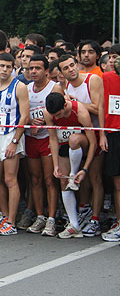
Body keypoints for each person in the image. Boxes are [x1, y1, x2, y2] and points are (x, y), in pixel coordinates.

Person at [0, 52, 29, 235]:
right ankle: (5, 213)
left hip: (11, 135)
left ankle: (11, 221)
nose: (4, 70)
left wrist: (15, 141)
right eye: (1, 66)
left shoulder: (20, 87)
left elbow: (24, 115)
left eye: (8, 67)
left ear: (13, 68)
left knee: (10, 179)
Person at [59, 53, 104, 237]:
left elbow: (98, 107)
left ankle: (95, 219)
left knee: (95, 177)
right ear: (61, 73)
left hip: (94, 132)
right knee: (80, 179)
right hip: (77, 135)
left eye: (72, 65)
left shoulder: (92, 80)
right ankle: (83, 210)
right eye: (66, 68)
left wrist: (75, 103)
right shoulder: (66, 85)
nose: (71, 69)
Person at [45, 92, 97, 239]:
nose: (58, 117)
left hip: (82, 143)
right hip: (63, 146)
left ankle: (73, 175)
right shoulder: (48, 113)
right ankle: (74, 225)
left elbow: (93, 143)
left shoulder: (79, 111)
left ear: (65, 105)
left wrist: (85, 169)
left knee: (73, 139)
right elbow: (53, 139)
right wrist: (55, 165)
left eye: (60, 114)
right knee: (63, 181)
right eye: (55, 115)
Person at [23, 55, 62, 237]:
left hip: (49, 139)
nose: (33, 72)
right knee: (35, 179)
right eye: (31, 69)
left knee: (49, 180)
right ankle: (39, 216)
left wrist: (46, 121)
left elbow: (62, 114)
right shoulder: (26, 88)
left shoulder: (55, 88)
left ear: (46, 70)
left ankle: (52, 218)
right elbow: (22, 113)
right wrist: (31, 120)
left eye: (37, 68)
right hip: (31, 139)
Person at [99, 57, 120, 241]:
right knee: (117, 184)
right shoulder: (106, 78)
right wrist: (103, 134)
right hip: (114, 134)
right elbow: (102, 105)